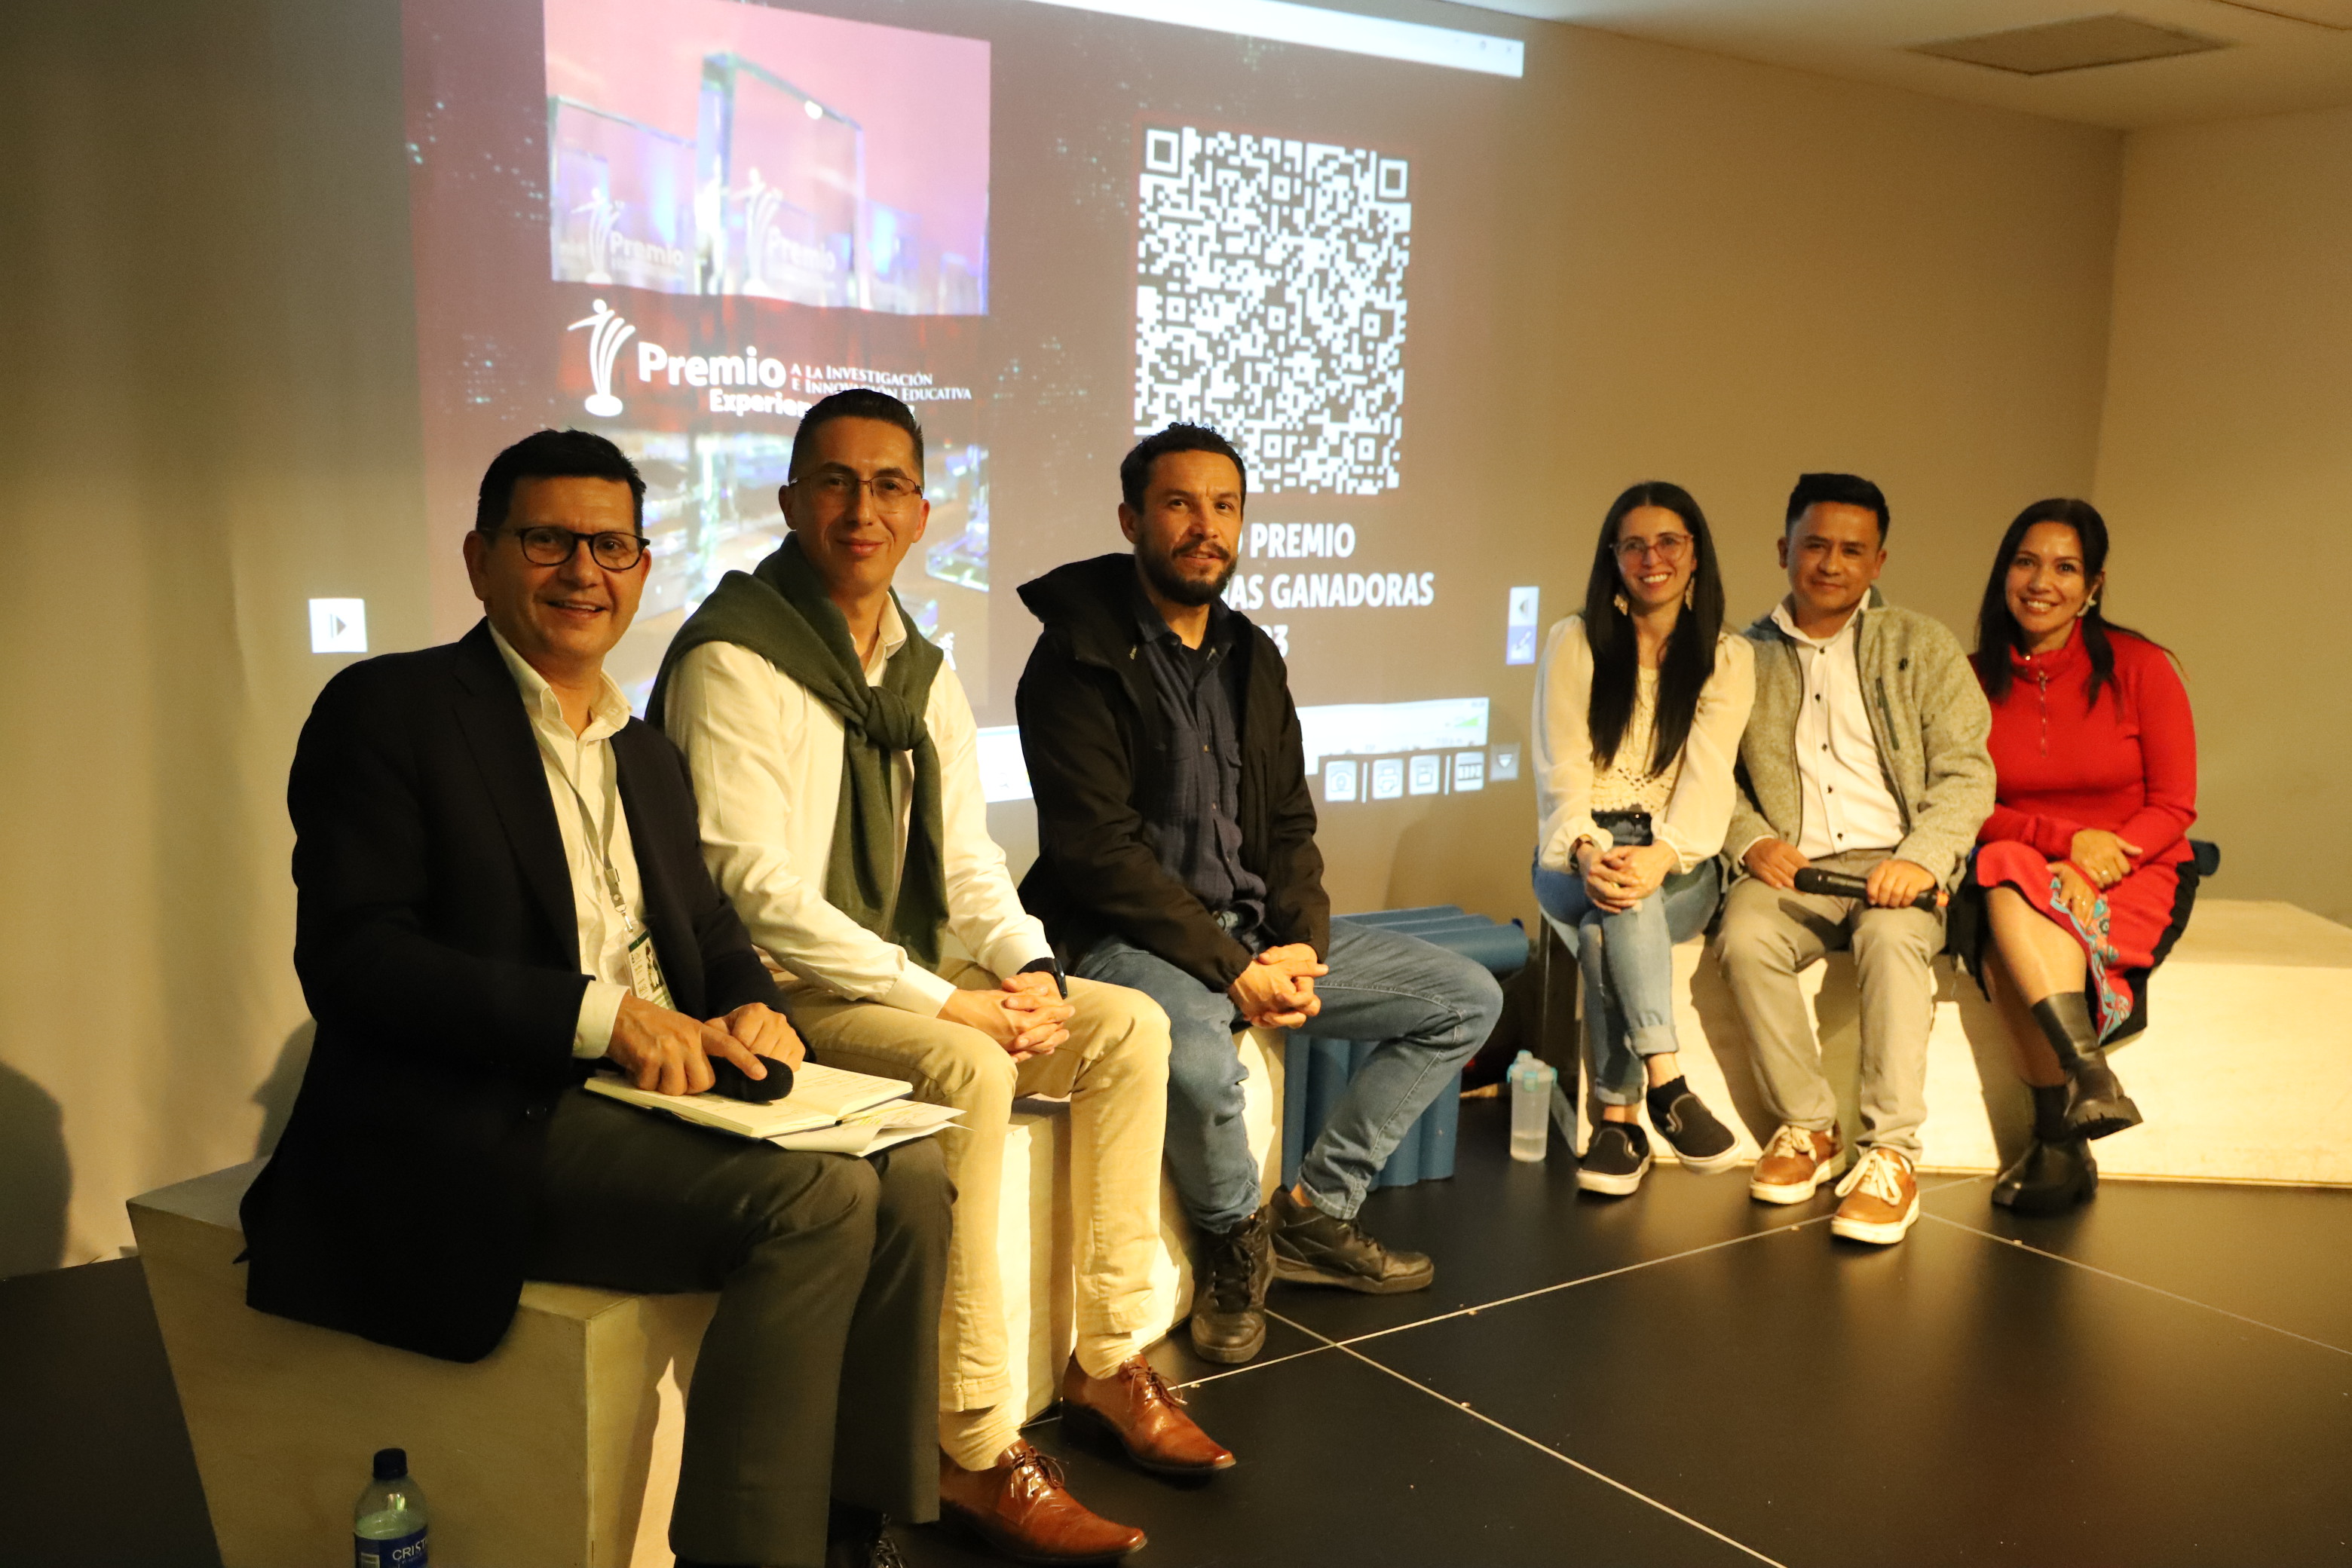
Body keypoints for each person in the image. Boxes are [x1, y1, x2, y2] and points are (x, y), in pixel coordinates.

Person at [240, 429, 948, 1568]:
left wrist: (752, 1004)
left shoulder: (642, 747)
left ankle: (847, 1522)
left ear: (644, 567)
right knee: (819, 1202)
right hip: (487, 1110)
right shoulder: (393, 710)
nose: (583, 572)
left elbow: (711, 933)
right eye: (548, 541)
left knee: (911, 1168)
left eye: (612, 546)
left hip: (661, 1093)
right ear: (480, 559)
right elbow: (357, 959)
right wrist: (599, 1018)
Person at [652, 390, 1217, 1568]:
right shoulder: (732, 658)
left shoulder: (918, 665)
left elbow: (966, 861)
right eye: (837, 482)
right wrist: (948, 1001)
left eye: (889, 485)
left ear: (921, 510)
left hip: (901, 961)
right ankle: (969, 1439)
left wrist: (1030, 968)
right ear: (792, 500)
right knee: (964, 1057)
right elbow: (756, 894)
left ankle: (1110, 1362)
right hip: (776, 983)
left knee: (1125, 1027)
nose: (864, 508)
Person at [1015, 423, 1505, 1366]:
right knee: (1196, 1056)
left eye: (1225, 506)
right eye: (1180, 503)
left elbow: (1288, 825)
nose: (1206, 526)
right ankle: (1237, 1240)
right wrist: (1233, 971)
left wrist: (1301, 946)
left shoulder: (1252, 655)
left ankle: (1315, 1213)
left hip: (1251, 933)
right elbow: (1096, 853)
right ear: (1131, 519)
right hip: (1129, 938)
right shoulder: (1073, 657)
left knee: (1466, 998)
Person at [1715, 472, 1995, 1246]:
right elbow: (1709, 776)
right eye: (1815, 546)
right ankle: (1809, 1128)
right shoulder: (1740, 654)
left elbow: (1967, 772)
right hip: (1795, 864)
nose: (1830, 564)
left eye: (1851, 550)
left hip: (1896, 862)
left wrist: (1926, 859)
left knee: (1891, 939)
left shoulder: (1923, 644)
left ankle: (1891, 1155)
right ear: (1784, 549)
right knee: (1743, 937)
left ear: (1878, 562)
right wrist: (1751, 840)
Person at [1960, 498, 2197, 1213]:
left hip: (2138, 861)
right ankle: (2085, 1084)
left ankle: (2058, 1136)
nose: (2042, 582)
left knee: (2007, 910)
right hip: (2023, 854)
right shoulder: (1966, 677)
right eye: (2026, 562)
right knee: (2002, 874)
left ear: (2093, 585)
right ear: (2005, 571)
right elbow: (1963, 800)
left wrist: (2093, 863)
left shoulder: (2143, 666)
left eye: (2065, 568)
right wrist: (2062, 845)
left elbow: (2175, 804)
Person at [1531, 482, 1756, 1195]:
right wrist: (1590, 849)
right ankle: (1669, 1082)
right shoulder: (1575, 640)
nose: (1650, 557)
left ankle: (1619, 1124)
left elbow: (1711, 778)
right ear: (1613, 556)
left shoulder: (1726, 657)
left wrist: (1663, 855)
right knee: (1615, 905)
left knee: (1609, 930)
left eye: (1669, 543)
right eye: (1633, 543)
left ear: (1695, 556)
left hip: (1679, 855)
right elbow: (1560, 766)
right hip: (1578, 851)